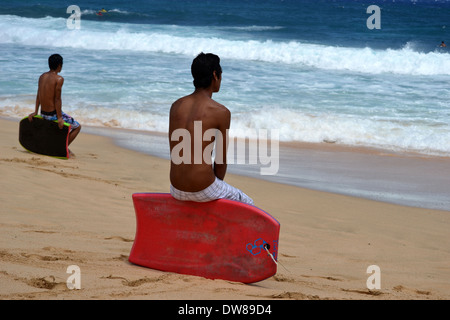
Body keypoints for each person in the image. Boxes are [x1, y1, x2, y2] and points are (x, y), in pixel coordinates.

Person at [168, 52, 254, 205]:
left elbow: (175, 151)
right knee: (247, 203)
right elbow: (220, 161)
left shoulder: (176, 106)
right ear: (215, 75)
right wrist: (215, 189)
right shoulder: (220, 112)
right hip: (203, 188)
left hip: (175, 188)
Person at [28, 54, 81, 152]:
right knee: (77, 127)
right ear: (59, 65)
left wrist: (35, 112)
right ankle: (62, 148)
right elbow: (57, 99)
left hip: (43, 114)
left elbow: (38, 95)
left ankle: (57, 144)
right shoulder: (59, 79)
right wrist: (60, 118)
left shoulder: (42, 77)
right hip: (53, 115)